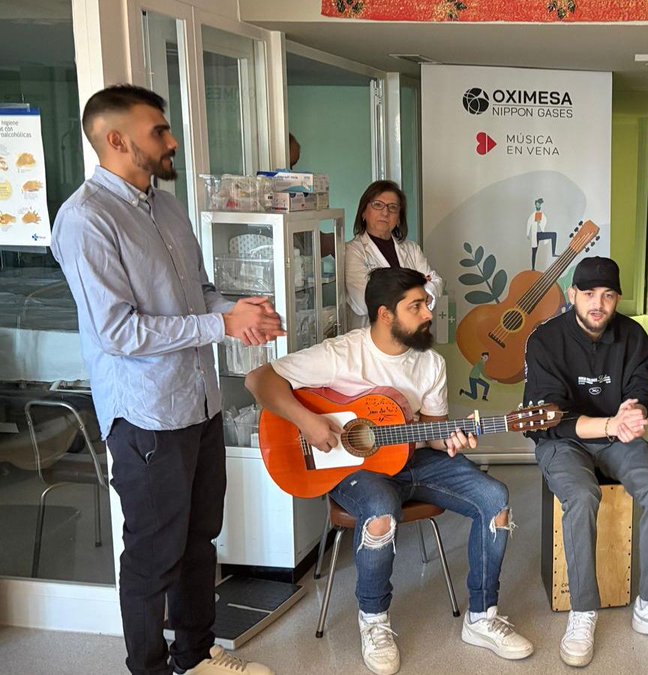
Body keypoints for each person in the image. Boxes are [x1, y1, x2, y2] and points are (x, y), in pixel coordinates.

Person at [51, 84, 282, 675]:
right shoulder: (85, 220)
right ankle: (151, 669)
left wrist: (239, 313)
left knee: (201, 543)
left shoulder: (167, 206)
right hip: (147, 416)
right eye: (160, 131)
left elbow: (199, 293)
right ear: (116, 139)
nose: (172, 140)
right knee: (154, 557)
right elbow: (118, 333)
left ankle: (197, 658)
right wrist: (217, 322)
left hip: (199, 403)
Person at [245, 267, 533, 675]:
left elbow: (434, 431)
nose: (428, 313)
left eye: (426, 303)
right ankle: (374, 621)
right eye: (416, 306)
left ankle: (482, 617)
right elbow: (259, 379)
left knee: (496, 500)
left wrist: (452, 438)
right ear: (385, 314)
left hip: (415, 458)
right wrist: (307, 422)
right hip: (356, 469)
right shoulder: (340, 353)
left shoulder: (430, 363)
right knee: (380, 511)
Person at [524, 257, 648, 667]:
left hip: (616, 436)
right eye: (588, 294)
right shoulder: (545, 340)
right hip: (562, 440)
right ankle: (582, 610)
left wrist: (635, 410)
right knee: (583, 496)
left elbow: (642, 387)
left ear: (618, 298)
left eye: (607, 295)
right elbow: (548, 415)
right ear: (572, 296)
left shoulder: (635, 336)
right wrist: (608, 422)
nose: (598, 304)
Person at [345, 180, 444, 329]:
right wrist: (419, 290)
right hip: (373, 339)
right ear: (364, 212)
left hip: (413, 334)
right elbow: (363, 302)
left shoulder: (411, 249)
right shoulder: (352, 251)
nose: (385, 213)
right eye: (377, 205)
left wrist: (397, 292)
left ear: (398, 219)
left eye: (393, 208)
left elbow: (436, 281)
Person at [527, 197, 557, 269]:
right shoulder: (533, 215)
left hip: (540, 233)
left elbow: (544, 223)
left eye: (539, 205)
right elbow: (528, 223)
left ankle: (553, 253)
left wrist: (540, 223)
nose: (538, 206)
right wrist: (527, 234)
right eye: (537, 205)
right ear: (535, 205)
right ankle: (533, 268)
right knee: (534, 251)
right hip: (535, 235)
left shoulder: (541, 214)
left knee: (554, 234)